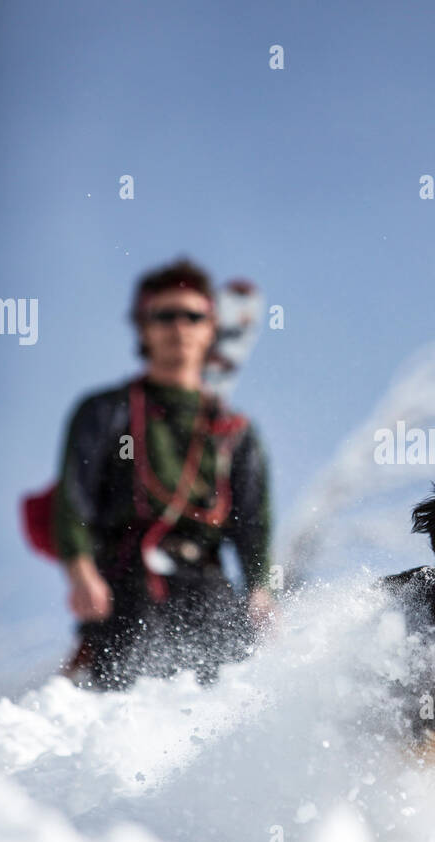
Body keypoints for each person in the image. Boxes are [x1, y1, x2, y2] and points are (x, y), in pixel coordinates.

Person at [54, 258, 274, 687]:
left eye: (193, 316)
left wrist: (261, 589)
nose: (179, 328)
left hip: (210, 592)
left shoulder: (236, 433)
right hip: (123, 589)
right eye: (164, 316)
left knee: (229, 712)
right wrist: (81, 574)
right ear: (143, 327)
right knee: (119, 714)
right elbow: (72, 500)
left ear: (213, 328)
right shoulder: (104, 411)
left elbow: (253, 521)